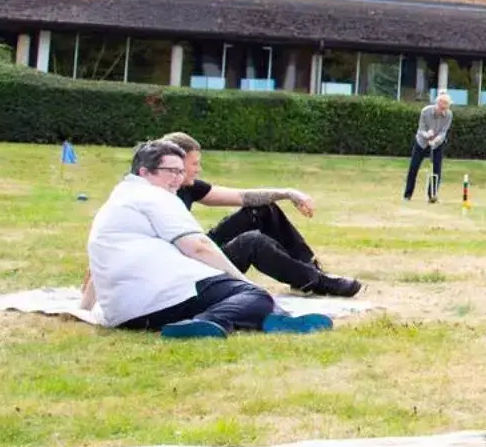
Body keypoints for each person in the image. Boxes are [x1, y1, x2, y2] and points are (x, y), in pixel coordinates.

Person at [83, 139, 331, 339]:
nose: (178, 178)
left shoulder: (122, 198)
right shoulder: (154, 197)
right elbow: (198, 248)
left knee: (249, 295)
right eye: (171, 171)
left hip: (129, 309)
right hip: (158, 300)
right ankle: (209, 321)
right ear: (144, 172)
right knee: (255, 296)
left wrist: (85, 307)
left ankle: (275, 317)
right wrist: (245, 282)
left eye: (181, 171)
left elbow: (99, 263)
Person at [159, 132, 360, 297]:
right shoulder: (154, 196)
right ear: (175, 162)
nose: (199, 169)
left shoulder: (187, 187)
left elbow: (242, 196)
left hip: (194, 250)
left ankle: (310, 269)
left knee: (262, 209)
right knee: (252, 242)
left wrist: (288, 192)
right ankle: (316, 281)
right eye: (194, 164)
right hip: (186, 266)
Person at [404, 90, 452, 202]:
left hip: (437, 144)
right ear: (437, 104)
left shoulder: (449, 115)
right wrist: (427, 135)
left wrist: (436, 140)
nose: (443, 111)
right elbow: (421, 129)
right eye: (441, 108)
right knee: (413, 168)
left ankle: (432, 195)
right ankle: (407, 195)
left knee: (436, 170)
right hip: (421, 142)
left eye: (445, 108)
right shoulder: (425, 111)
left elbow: (444, 131)